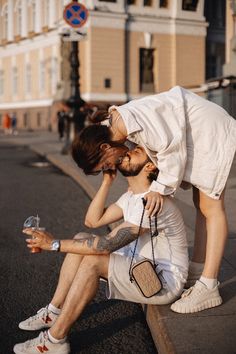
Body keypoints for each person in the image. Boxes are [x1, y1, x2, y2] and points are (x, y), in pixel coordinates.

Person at [71, 86, 236, 313]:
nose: (112, 167)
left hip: (208, 131)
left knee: (212, 207)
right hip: (198, 128)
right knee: (202, 206)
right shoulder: (115, 126)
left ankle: (209, 285)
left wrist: (158, 189)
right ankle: (198, 272)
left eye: (105, 164)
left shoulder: (129, 125)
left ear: (105, 147)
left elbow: (172, 150)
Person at [14, 146, 188, 354]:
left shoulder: (152, 204)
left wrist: (53, 244)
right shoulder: (132, 196)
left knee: (93, 260)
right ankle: (53, 311)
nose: (129, 152)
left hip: (161, 281)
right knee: (81, 239)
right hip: (140, 265)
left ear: (149, 166)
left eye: (138, 152)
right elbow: (92, 221)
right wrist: (107, 182)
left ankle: (54, 340)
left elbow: (105, 246)